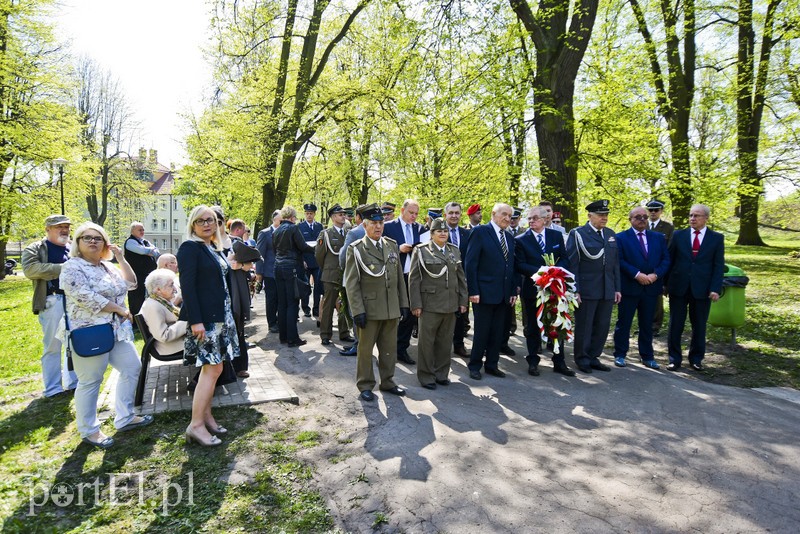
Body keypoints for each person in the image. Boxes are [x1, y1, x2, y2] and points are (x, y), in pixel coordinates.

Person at [60, 222, 153, 449]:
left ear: (104, 243)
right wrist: (120, 310)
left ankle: (125, 416)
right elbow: (85, 297)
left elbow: (131, 284)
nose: (93, 241)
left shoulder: (107, 266)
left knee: (132, 368)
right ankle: (89, 430)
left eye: (97, 238)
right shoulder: (72, 267)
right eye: (87, 238)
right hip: (90, 331)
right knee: (91, 380)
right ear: (78, 243)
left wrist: (120, 258)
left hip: (117, 332)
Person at [177, 205, 240, 446]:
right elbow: (188, 287)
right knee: (211, 370)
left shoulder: (212, 247)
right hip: (206, 320)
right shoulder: (189, 248)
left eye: (211, 220)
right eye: (201, 220)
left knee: (215, 369)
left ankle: (206, 416)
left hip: (221, 317)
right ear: (193, 224)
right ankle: (195, 425)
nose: (206, 224)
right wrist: (196, 322)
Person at [343, 204, 409, 401]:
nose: (379, 226)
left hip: (390, 308)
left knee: (389, 348)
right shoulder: (356, 249)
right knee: (365, 350)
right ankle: (365, 384)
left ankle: (388, 381)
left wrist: (403, 304)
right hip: (369, 309)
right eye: (374, 223)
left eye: (381, 222)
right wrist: (357, 311)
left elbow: (398, 278)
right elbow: (351, 284)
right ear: (365, 225)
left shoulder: (391, 245)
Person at [21, 214, 79, 397]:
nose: (64, 230)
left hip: (74, 302)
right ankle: (53, 388)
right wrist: (64, 268)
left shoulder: (73, 248)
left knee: (75, 344)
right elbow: (31, 270)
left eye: (66, 227)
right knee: (53, 345)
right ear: (47, 229)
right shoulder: (36, 248)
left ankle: (73, 383)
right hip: (52, 301)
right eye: (58, 227)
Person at [514, 206, 575, 376]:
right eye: (529, 218)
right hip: (533, 289)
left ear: (544, 219)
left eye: (534, 218)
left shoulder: (556, 236)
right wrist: (543, 273)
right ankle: (533, 360)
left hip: (555, 288)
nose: (531, 221)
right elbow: (520, 265)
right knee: (533, 326)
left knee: (557, 323)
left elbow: (564, 258)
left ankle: (559, 361)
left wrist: (555, 272)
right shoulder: (521, 240)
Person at [409, 218, 468, 389]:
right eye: (439, 231)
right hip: (429, 305)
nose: (443, 234)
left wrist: (463, 300)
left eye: (445, 231)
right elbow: (414, 280)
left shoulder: (454, 251)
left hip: (450, 304)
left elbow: (461, 278)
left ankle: (442, 373)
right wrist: (416, 304)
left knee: (445, 342)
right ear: (432, 234)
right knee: (426, 343)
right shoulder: (421, 251)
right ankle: (426, 376)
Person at [666, 204, 725, 371]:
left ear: (706, 218)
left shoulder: (716, 238)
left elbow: (718, 265)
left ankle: (696, 359)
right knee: (675, 324)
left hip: (702, 289)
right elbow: (670, 260)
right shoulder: (679, 235)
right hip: (679, 287)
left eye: (697, 216)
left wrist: (715, 288)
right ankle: (674, 359)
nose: (692, 218)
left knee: (699, 325)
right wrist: (666, 284)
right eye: (691, 215)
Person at [566, 200, 621, 374]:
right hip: (587, 289)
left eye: (606, 215)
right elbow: (572, 264)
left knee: (602, 325)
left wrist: (617, 288)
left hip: (607, 288)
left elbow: (615, 265)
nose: (604, 218)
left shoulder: (610, 234)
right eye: (600, 215)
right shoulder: (578, 234)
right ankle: (582, 358)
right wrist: (575, 289)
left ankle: (594, 356)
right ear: (590, 216)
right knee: (585, 325)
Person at [612, 207, 671, 369]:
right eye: (638, 217)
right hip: (630, 286)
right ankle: (620, 354)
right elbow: (620, 260)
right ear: (630, 219)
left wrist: (655, 275)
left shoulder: (658, 237)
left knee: (647, 324)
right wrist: (637, 274)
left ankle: (647, 356)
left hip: (651, 288)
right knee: (624, 323)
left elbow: (666, 260)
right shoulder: (621, 238)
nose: (642, 219)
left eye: (645, 217)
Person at [465, 203, 517, 380]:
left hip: (503, 294)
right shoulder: (480, 232)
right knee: (482, 332)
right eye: (504, 214)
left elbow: (511, 267)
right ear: (494, 214)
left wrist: (512, 291)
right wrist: (473, 290)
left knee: (498, 332)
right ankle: (474, 365)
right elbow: (470, 264)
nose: (507, 219)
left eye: (510, 216)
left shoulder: (509, 238)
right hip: (483, 293)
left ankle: (492, 364)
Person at [383, 199, 425, 365]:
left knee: (409, 315)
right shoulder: (389, 226)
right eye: (411, 213)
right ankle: (386, 347)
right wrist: (398, 249)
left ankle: (401, 349)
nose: (414, 216)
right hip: (393, 276)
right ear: (402, 210)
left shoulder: (420, 229)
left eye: (416, 214)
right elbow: (380, 250)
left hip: (413, 277)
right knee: (393, 313)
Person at [273, 206, 315, 347]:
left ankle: (283, 336)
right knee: (292, 303)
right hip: (291, 268)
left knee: (282, 303)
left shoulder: (277, 230)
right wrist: (317, 247)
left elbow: (275, 250)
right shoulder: (293, 228)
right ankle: (292, 338)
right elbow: (302, 246)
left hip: (278, 267)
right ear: (292, 217)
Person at [315, 204, 354, 346]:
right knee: (328, 306)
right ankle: (325, 335)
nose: (343, 216)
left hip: (346, 274)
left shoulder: (349, 232)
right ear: (333, 217)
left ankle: (344, 332)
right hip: (331, 275)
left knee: (344, 304)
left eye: (344, 214)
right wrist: (327, 269)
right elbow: (319, 256)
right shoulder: (325, 234)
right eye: (340, 214)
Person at [228, 219, 260, 378]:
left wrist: (239, 266)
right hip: (222, 291)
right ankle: (228, 367)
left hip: (235, 290)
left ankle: (240, 366)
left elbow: (251, 261)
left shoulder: (234, 243)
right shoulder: (208, 245)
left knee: (238, 327)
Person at [338, 205, 368, 356]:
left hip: (354, 279)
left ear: (358, 217)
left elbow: (343, 257)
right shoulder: (380, 230)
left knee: (355, 311)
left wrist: (344, 270)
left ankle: (358, 345)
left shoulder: (354, 232)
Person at [444, 202, 471, 358]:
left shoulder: (467, 234)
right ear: (445, 215)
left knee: (461, 313)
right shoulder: (436, 232)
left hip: (462, 281)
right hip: (442, 281)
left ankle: (459, 345)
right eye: (451, 213)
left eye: (457, 213)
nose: (454, 215)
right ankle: (441, 347)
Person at [140, 268, 187, 356]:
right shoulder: (153, 306)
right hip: (173, 347)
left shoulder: (161, 301)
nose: (175, 289)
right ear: (158, 289)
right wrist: (187, 322)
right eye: (171, 285)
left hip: (179, 342)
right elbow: (163, 336)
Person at [646, 199, 674, 335]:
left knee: (657, 299)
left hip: (659, 269)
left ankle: (655, 326)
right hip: (643, 268)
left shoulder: (668, 228)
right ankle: (643, 324)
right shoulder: (642, 225)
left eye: (656, 210)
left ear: (661, 211)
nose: (653, 212)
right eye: (650, 210)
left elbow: (669, 250)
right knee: (643, 299)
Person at [124, 222, 160, 317]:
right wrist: (149, 250)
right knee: (137, 297)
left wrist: (148, 251)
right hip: (136, 275)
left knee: (149, 296)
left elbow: (157, 252)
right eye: (139, 230)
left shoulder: (145, 242)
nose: (142, 231)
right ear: (132, 231)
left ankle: (147, 317)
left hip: (147, 274)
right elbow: (142, 251)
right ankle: (136, 321)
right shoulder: (130, 242)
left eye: (143, 229)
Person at [256, 210, 281, 333]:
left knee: (281, 297)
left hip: (282, 271)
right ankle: (272, 323)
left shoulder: (285, 232)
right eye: (280, 220)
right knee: (271, 298)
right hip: (269, 272)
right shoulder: (264, 233)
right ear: (274, 219)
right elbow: (260, 255)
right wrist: (259, 274)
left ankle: (280, 320)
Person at [299, 203, 324, 317]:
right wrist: (301, 260)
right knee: (305, 285)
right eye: (307, 213)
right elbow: (298, 245)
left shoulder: (319, 227)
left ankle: (316, 308)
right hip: (305, 261)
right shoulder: (300, 227)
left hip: (317, 260)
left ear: (314, 214)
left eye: (311, 213)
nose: (309, 215)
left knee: (318, 286)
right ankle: (305, 308)